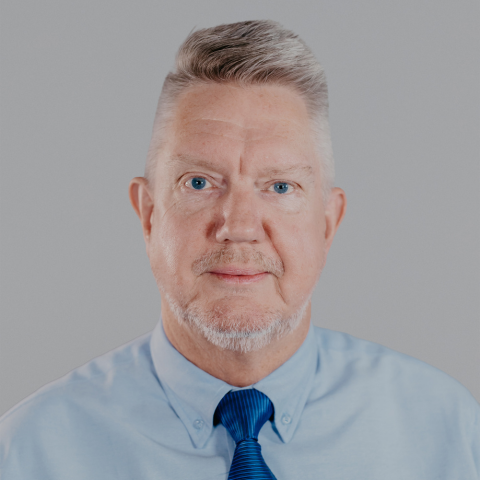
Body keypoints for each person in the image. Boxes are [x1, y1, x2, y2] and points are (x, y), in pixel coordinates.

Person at [1, 20, 478, 480]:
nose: (240, 227)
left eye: (280, 186)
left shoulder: (447, 432)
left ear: (327, 223)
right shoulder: (30, 453)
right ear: (148, 214)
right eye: (199, 182)